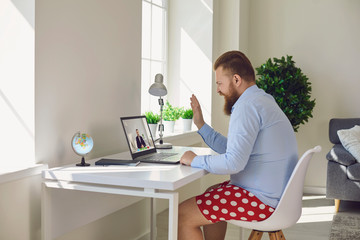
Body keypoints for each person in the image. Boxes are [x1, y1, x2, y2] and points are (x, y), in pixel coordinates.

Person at [178, 50, 298, 240]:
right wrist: (200, 124)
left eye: (219, 83)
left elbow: (234, 162)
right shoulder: (262, 100)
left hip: (261, 200)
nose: (218, 90)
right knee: (210, 192)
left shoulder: (247, 106)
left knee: (183, 214)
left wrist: (195, 160)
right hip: (277, 196)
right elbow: (233, 149)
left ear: (236, 79)